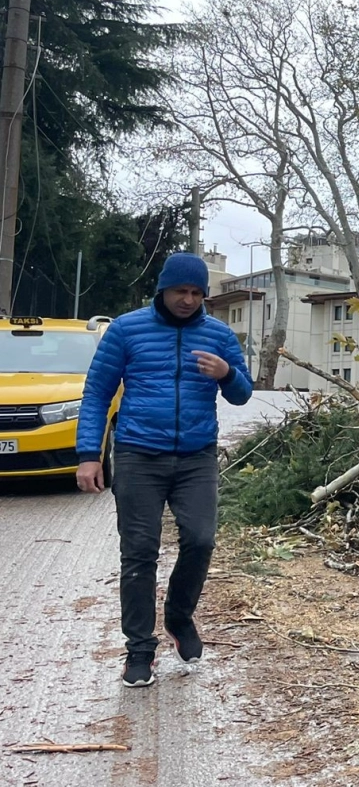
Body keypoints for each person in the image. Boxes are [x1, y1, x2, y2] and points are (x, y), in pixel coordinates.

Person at [75, 252, 254, 688]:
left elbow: (243, 395)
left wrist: (227, 372)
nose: (189, 300)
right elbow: (97, 393)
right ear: (163, 289)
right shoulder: (126, 330)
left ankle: (178, 617)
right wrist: (88, 455)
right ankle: (139, 650)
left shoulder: (218, 334)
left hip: (196, 457)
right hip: (138, 455)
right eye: (181, 291)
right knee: (139, 552)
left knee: (200, 539)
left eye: (197, 293)